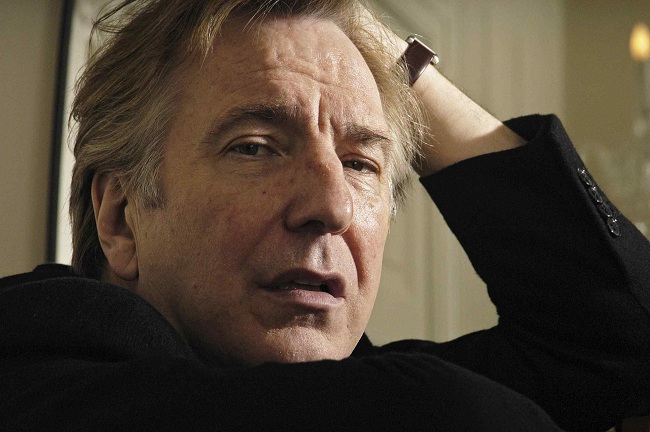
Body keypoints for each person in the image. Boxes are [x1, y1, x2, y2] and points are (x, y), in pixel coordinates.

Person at [1, 0, 649, 430]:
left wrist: (386, 51)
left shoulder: (349, 386)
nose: (333, 206)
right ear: (120, 217)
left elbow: (619, 342)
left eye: (361, 162)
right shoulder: (30, 374)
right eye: (255, 148)